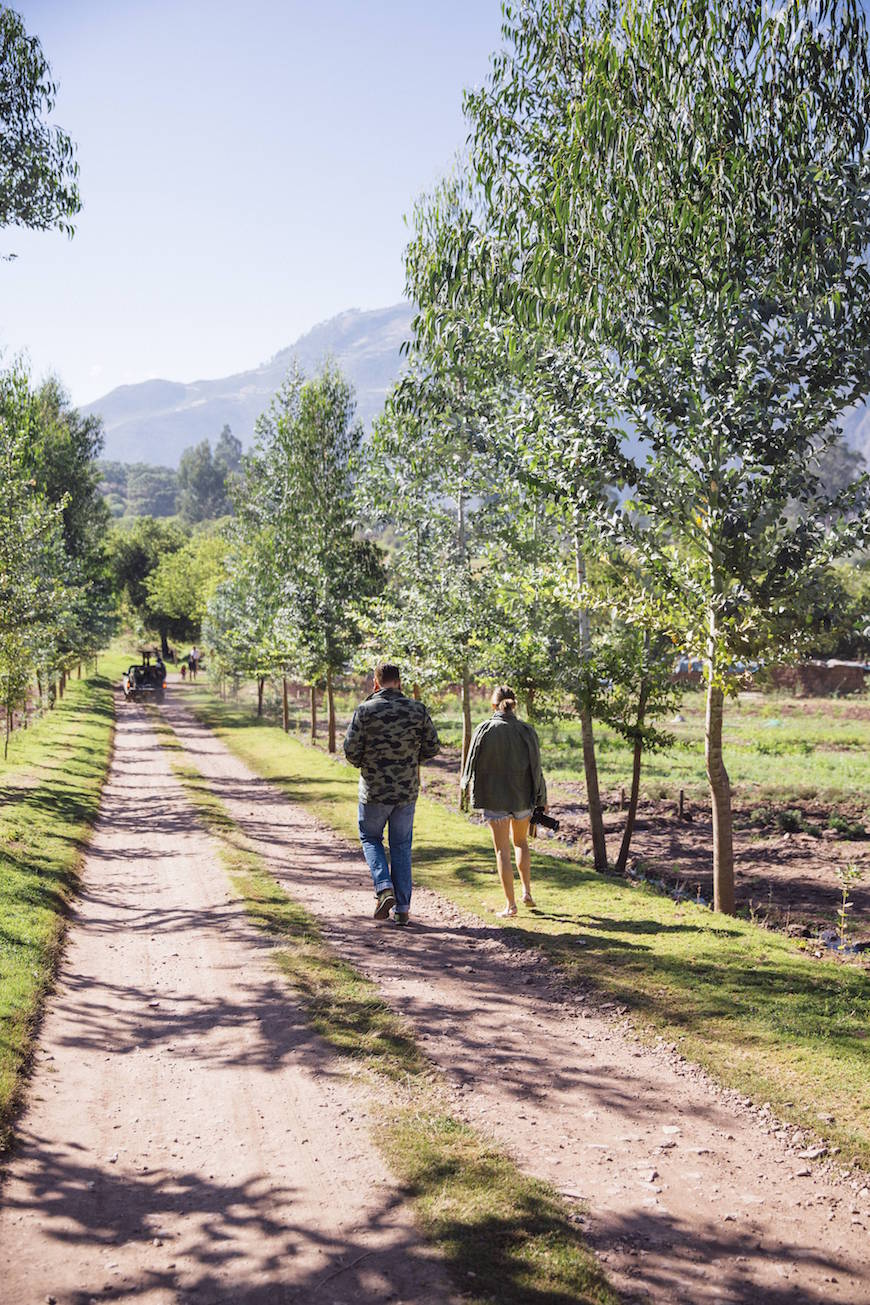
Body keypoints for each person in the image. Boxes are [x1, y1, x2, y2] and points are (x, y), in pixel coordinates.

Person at [343, 661, 440, 925]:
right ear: (399, 682)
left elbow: (350, 750)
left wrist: (368, 762)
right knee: (401, 846)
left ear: (375, 683)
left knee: (370, 837)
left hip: (374, 790)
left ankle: (384, 887)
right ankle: (403, 909)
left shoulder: (365, 710)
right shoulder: (417, 710)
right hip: (406, 790)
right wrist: (410, 759)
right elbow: (433, 746)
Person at [460, 685, 548, 917]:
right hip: (522, 797)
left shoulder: (484, 730)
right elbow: (537, 768)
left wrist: (466, 791)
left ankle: (511, 906)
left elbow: (471, 766)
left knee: (502, 851)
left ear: (493, 704)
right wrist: (542, 797)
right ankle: (527, 891)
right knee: (521, 843)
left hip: (494, 798)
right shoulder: (527, 731)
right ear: (514, 704)